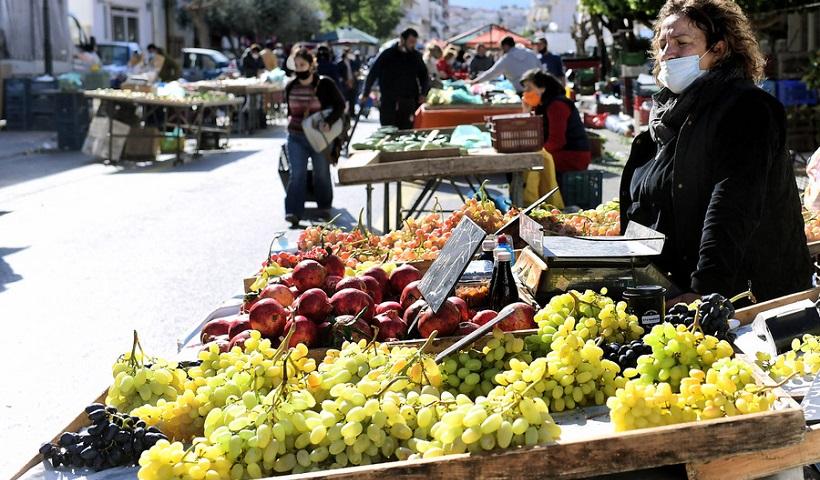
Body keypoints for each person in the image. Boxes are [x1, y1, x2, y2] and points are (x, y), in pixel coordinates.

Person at [621, 0, 811, 303]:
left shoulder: (748, 108)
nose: (668, 53)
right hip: (674, 289)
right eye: (662, 44)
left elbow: (732, 203)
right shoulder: (666, 117)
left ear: (718, 50)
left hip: (743, 296)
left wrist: (706, 289)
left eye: (682, 43)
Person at [284, 48, 346, 227]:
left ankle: (324, 207)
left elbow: (340, 105)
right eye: (296, 65)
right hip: (296, 137)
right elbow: (289, 111)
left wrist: (328, 121)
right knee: (297, 174)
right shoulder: (290, 86)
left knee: (321, 173)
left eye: (302, 65)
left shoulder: (325, 84)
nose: (299, 69)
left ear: (311, 65)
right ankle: (293, 212)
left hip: (319, 138)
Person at [521, 69, 590, 175]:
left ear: (542, 88)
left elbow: (557, 141)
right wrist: (526, 112)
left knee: (529, 165)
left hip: (573, 155)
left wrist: (537, 153)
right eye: (525, 88)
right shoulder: (541, 106)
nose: (525, 92)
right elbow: (532, 136)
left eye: (529, 88)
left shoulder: (557, 105)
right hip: (558, 152)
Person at [362, 28, 430, 130]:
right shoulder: (387, 54)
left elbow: (424, 76)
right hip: (389, 101)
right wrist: (365, 93)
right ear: (402, 39)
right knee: (387, 130)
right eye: (411, 42)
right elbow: (373, 73)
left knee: (406, 131)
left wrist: (423, 93)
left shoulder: (415, 56)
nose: (413, 45)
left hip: (408, 101)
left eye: (414, 42)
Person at [471, 36, 541, 93]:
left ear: (506, 46)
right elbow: (541, 69)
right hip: (537, 89)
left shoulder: (506, 59)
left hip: (522, 90)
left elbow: (492, 73)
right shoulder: (530, 53)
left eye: (501, 47)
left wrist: (475, 81)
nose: (501, 50)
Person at [337, 47, 360, 114]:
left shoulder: (352, 62)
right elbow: (338, 75)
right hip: (344, 84)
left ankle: (352, 113)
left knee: (352, 99)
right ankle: (344, 113)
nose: (351, 54)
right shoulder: (340, 63)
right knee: (345, 99)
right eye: (349, 52)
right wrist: (345, 81)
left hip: (353, 83)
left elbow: (356, 71)